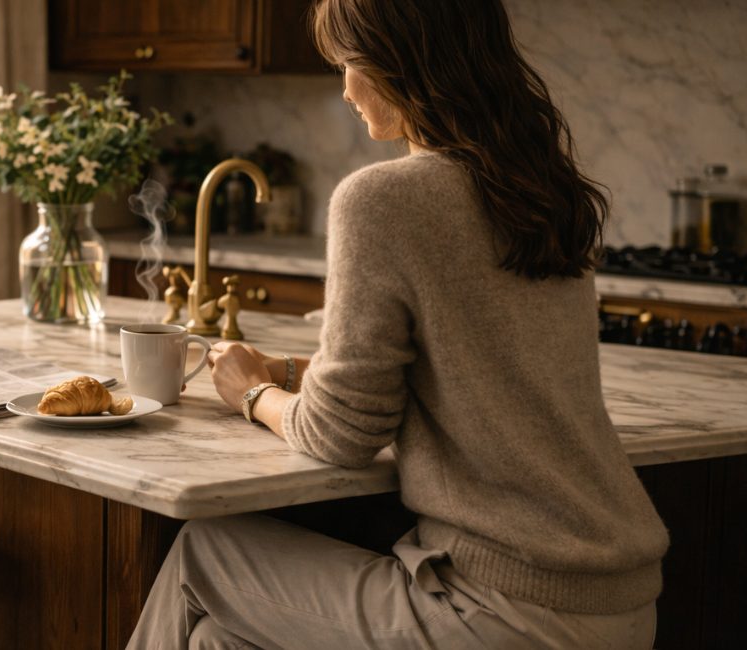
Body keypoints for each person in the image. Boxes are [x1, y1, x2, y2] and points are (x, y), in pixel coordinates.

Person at [126, 0, 669, 647]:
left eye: (353, 63)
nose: (347, 87)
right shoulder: (542, 194)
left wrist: (252, 392)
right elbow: (464, 367)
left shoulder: (383, 199)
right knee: (219, 639)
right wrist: (293, 368)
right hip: (619, 599)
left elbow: (339, 436)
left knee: (203, 552)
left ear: (408, 64)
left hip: (505, 607)